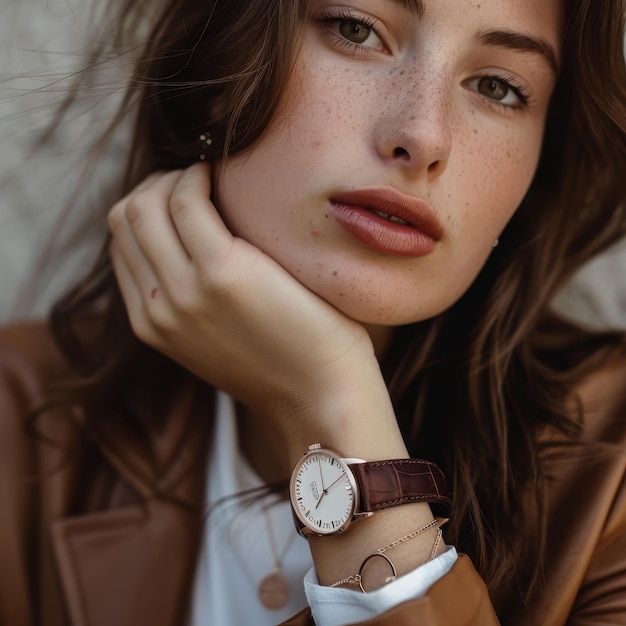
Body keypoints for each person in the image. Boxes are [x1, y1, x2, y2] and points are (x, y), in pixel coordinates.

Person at [1, 0, 625, 624]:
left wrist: (332, 406)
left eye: (498, 87)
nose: (424, 135)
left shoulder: (611, 481)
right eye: (357, 31)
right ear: (221, 61)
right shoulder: (14, 422)